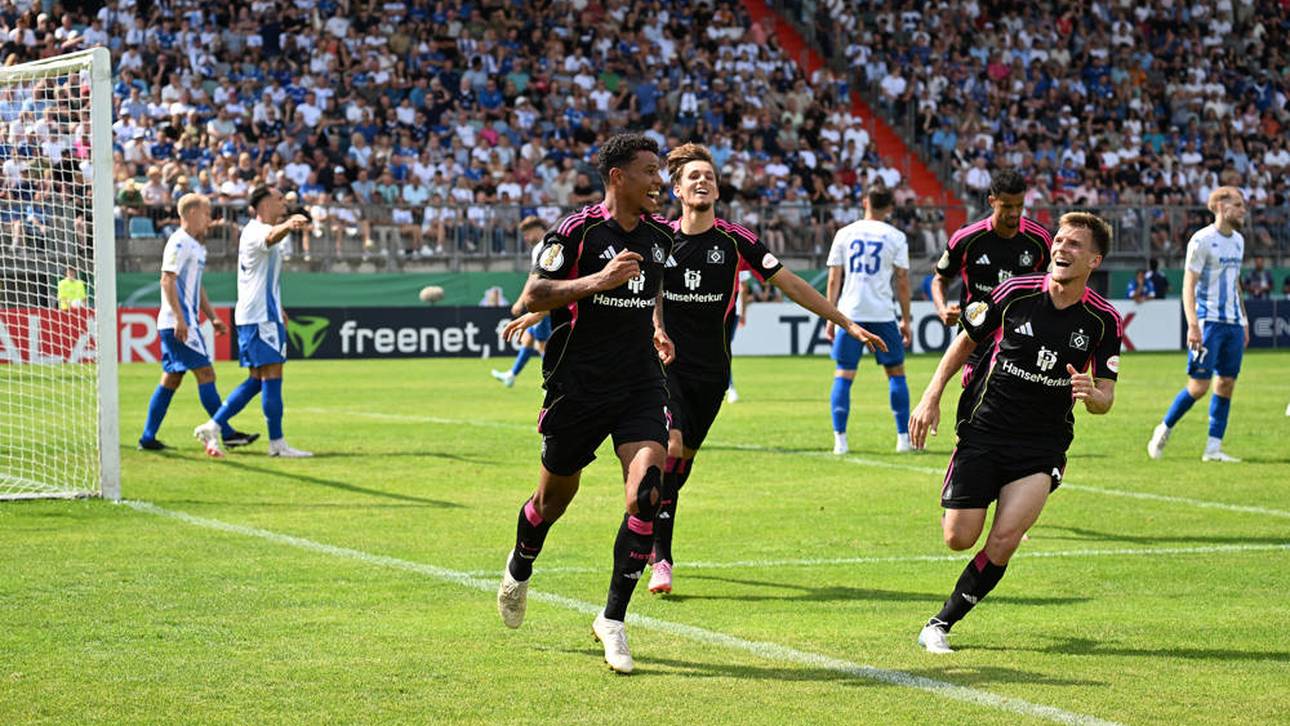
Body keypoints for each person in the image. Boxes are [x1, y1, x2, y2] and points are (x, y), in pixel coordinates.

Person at [649, 142, 886, 595]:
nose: (703, 182)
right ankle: (660, 556)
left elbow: (791, 283)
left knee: (680, 469)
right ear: (677, 189)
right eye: (693, 177)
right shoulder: (659, 236)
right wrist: (656, 326)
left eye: (709, 176)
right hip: (666, 365)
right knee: (671, 447)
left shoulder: (735, 239)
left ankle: (652, 523)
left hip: (713, 372)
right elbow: (649, 291)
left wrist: (845, 321)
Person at [494, 133, 676, 674]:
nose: (657, 182)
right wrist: (600, 279)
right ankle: (520, 566)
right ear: (618, 176)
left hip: (640, 385)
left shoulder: (658, 239)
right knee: (551, 503)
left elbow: (652, 290)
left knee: (647, 493)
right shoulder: (575, 231)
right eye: (649, 171)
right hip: (577, 387)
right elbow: (533, 294)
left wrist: (658, 326)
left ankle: (613, 620)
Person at [908, 212, 1122, 653]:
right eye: (1059, 240)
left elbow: (1106, 398)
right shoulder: (1014, 293)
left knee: (1003, 541)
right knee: (959, 538)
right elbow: (964, 342)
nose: (1061, 248)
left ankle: (940, 624)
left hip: (1042, 446)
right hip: (985, 431)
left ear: (1094, 260)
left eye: (1074, 245)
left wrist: (1091, 394)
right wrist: (932, 394)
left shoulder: (1103, 321)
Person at [193, 185, 311, 458]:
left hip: (260, 313)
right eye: (279, 199)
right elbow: (270, 238)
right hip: (260, 316)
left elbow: (263, 274)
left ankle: (213, 425)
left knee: (257, 379)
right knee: (272, 375)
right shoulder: (257, 231)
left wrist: (278, 305)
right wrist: (290, 224)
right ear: (264, 204)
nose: (284, 203)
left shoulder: (255, 231)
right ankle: (277, 444)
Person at [138, 194, 258, 451]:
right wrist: (181, 319)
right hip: (178, 323)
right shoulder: (179, 243)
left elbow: (195, 286)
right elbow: (167, 280)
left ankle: (148, 437)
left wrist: (212, 316)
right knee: (206, 373)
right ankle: (226, 432)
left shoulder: (195, 246)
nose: (210, 219)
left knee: (171, 379)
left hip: (182, 321)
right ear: (191, 213)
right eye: (206, 213)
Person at [1147, 187, 1250, 463]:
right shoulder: (1202, 240)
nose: (1243, 210)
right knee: (1199, 386)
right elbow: (1188, 285)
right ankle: (1164, 427)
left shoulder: (1239, 241)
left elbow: (1236, 283)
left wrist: (1245, 319)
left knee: (1227, 382)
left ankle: (1213, 449)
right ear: (1220, 206)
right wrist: (1193, 324)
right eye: (1238, 205)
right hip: (1208, 323)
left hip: (1232, 323)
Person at [930, 169, 1053, 388]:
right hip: (976, 335)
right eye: (1007, 206)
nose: (1015, 212)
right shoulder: (966, 238)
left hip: (1021, 335)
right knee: (975, 396)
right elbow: (940, 279)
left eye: (1019, 205)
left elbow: (1051, 284)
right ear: (992, 201)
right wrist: (942, 309)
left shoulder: (1039, 239)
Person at [825, 186, 913, 455]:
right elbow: (902, 280)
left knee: (844, 374)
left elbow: (833, 278)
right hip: (883, 314)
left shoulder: (844, 233)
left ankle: (840, 441)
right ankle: (903, 439)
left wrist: (831, 315)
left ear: (865, 202)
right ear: (889, 208)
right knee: (895, 373)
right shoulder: (896, 236)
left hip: (850, 313)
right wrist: (906, 319)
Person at [491, 216, 551, 388]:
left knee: (542, 344)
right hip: (545, 300)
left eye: (527, 234)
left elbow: (534, 279)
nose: (526, 238)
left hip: (545, 301)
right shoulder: (548, 243)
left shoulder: (542, 247)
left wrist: (520, 302)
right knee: (528, 338)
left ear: (536, 229)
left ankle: (551, 382)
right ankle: (512, 374)